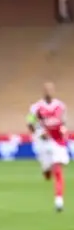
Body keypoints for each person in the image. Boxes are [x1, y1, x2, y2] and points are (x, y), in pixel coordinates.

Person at [27, 82, 66, 212]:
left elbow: (63, 122)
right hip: (43, 143)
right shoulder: (36, 107)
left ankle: (59, 200)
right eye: (46, 90)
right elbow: (30, 122)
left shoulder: (60, 106)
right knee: (48, 173)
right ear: (43, 92)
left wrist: (63, 130)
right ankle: (45, 170)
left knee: (58, 170)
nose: (49, 92)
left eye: (51, 89)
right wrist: (38, 133)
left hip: (57, 142)